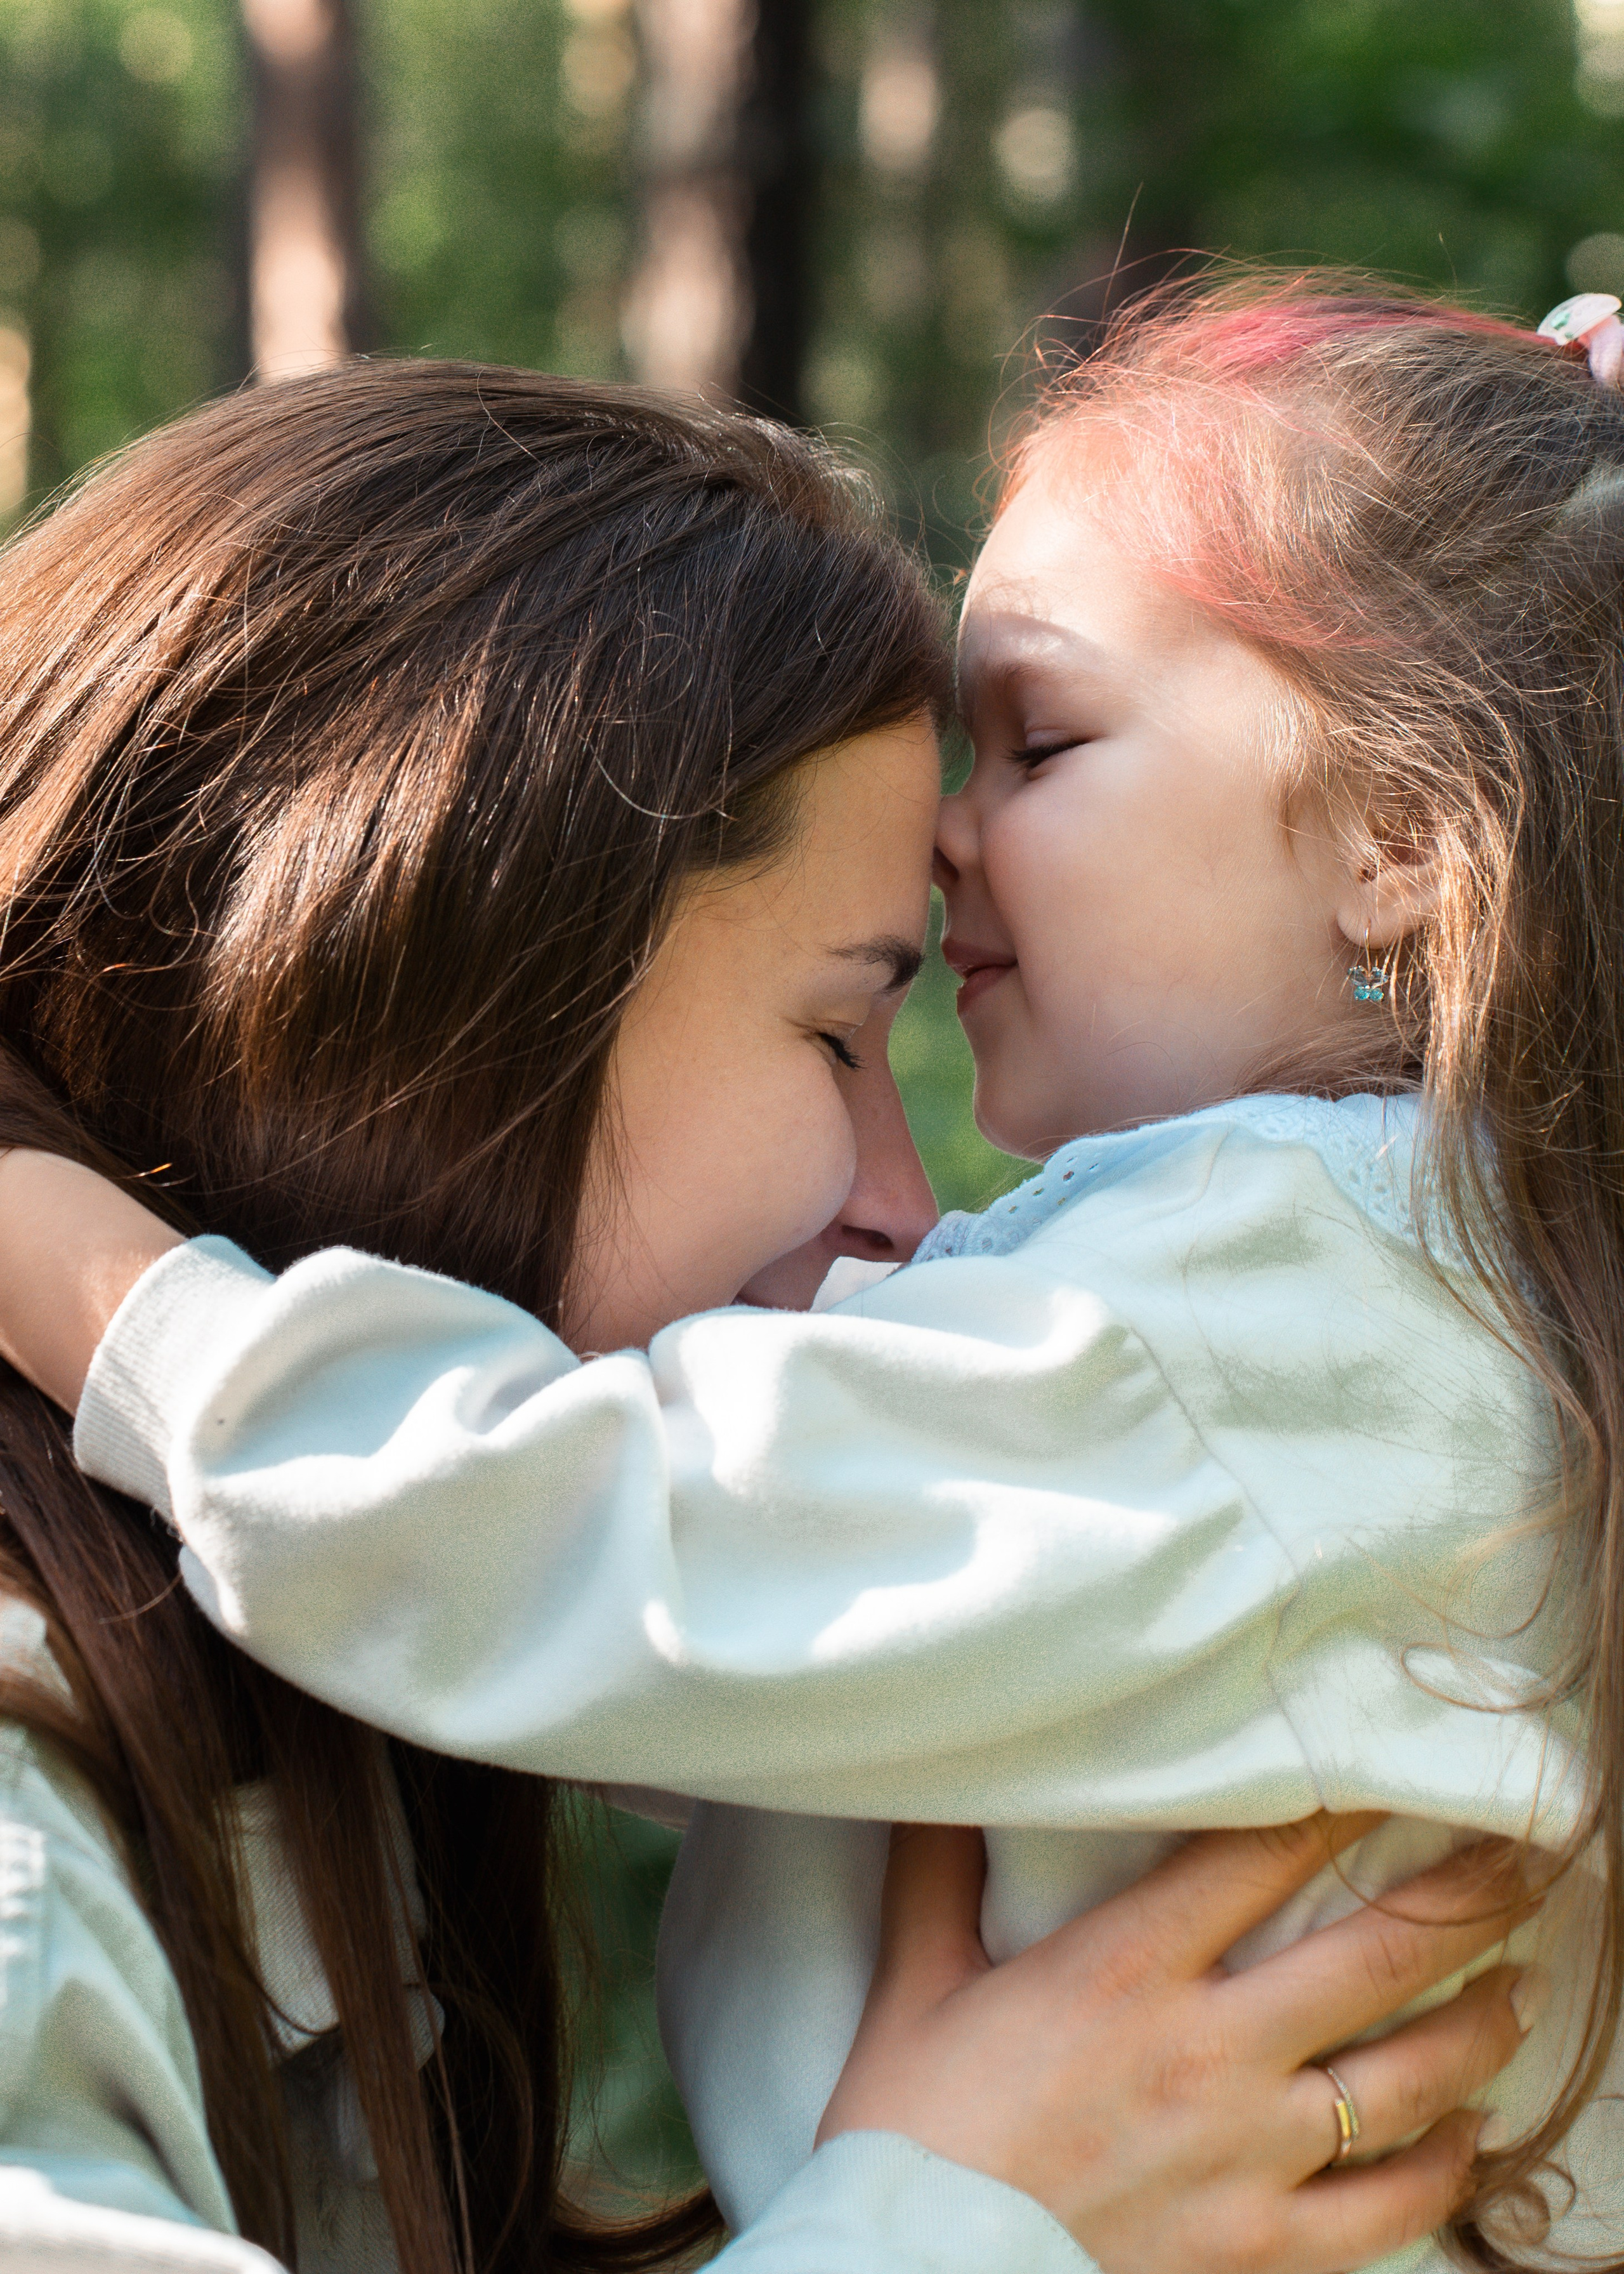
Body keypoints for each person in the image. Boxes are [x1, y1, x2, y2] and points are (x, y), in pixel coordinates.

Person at [0, 349, 1533, 2274]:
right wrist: (969, 2222)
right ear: (436, 986)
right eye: (835, 1032)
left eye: (1049, 750)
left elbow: (603, 1569)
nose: (907, 1214)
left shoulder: (1321, 1299)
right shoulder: (28, 1842)